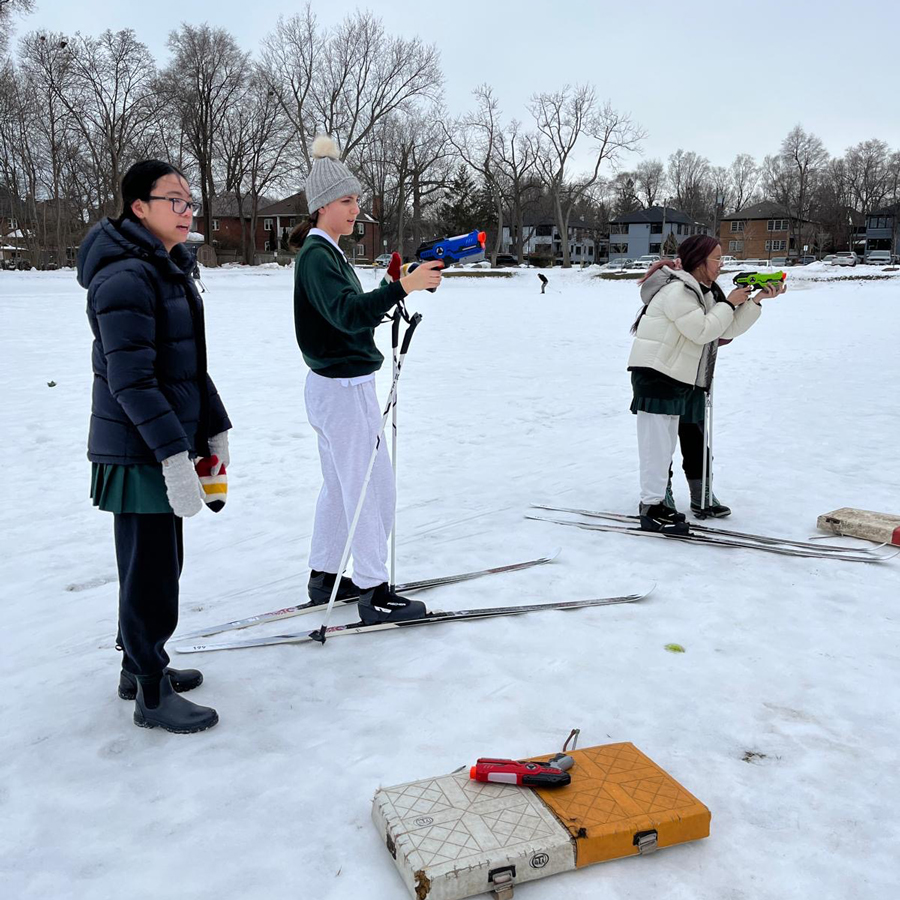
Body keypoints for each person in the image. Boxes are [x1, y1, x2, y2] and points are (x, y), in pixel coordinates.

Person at [77, 160, 231, 733]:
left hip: (162, 442)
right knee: (151, 573)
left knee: (158, 565)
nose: (187, 211)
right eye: (175, 200)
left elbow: (188, 367)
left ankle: (139, 665)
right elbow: (133, 382)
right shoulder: (126, 278)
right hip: (139, 448)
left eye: (190, 201)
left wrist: (213, 428)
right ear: (139, 207)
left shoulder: (167, 269)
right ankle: (149, 690)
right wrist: (171, 456)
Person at [291, 136, 442, 624]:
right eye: (347, 201)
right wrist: (403, 288)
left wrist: (392, 285)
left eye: (356, 199)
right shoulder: (318, 256)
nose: (356, 209)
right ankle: (374, 591)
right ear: (322, 206)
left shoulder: (328, 254)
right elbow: (347, 314)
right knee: (369, 489)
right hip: (341, 389)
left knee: (342, 487)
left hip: (338, 386)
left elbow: (350, 316)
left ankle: (325, 575)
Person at [627, 235, 784, 532]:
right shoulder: (677, 291)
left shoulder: (704, 292)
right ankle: (652, 506)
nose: (721, 264)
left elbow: (726, 329)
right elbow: (701, 331)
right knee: (657, 446)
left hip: (681, 376)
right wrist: (728, 302)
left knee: (671, 442)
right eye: (717, 259)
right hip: (657, 375)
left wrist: (755, 301)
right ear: (700, 261)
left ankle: (662, 502)